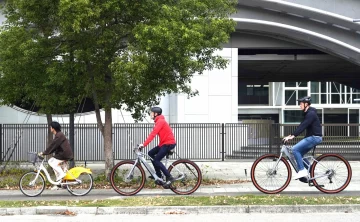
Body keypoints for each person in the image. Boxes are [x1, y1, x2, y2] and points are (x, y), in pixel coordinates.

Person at [282, 96, 322, 180]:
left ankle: (302, 170)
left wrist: (292, 136)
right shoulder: (308, 113)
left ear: (306, 104)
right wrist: (290, 135)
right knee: (300, 154)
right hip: (313, 137)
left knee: (295, 150)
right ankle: (312, 171)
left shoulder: (311, 114)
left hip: (314, 137)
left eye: (301, 104)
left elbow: (303, 126)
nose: (299, 105)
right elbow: (301, 125)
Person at [138, 106, 176, 188]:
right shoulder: (158, 121)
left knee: (157, 160)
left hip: (168, 144)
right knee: (150, 153)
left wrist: (144, 144)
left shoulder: (160, 121)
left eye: (151, 113)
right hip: (163, 144)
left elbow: (153, 134)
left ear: (156, 114)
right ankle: (158, 175)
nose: (150, 114)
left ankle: (170, 177)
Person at [39, 121, 74, 190]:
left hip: (64, 154)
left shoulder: (59, 135)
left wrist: (44, 153)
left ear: (53, 128)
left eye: (50, 127)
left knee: (51, 161)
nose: (50, 128)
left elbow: (53, 145)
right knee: (59, 168)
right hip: (63, 153)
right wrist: (46, 152)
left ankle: (61, 176)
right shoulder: (59, 135)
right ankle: (60, 184)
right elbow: (55, 146)